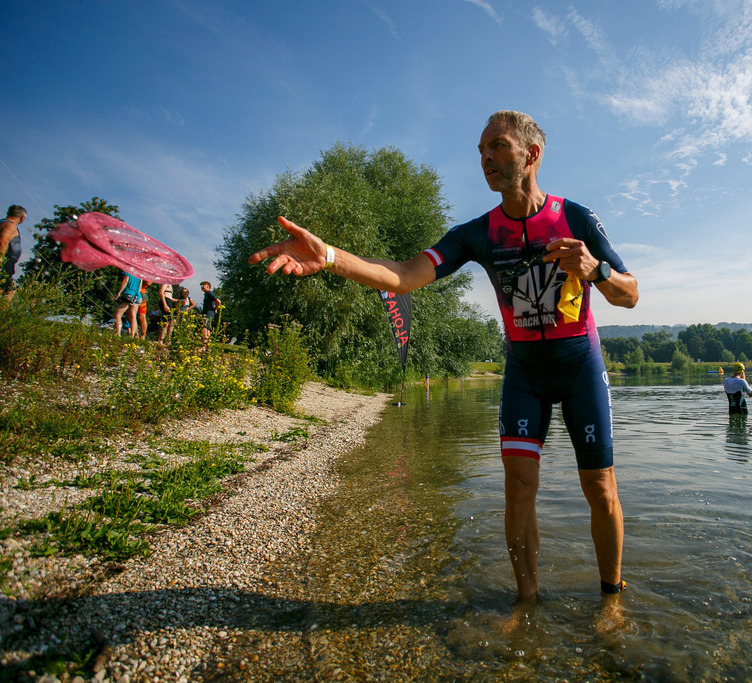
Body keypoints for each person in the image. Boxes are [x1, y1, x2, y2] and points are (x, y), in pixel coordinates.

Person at [250, 110, 639, 609]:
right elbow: (405, 276)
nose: (486, 158)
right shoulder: (477, 233)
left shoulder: (575, 217)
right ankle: (526, 605)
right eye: (481, 151)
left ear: (532, 155)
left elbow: (629, 295)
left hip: (579, 363)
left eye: (497, 146)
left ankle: (612, 600)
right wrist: (329, 257)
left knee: (599, 486)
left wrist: (596, 268)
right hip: (524, 372)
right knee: (518, 490)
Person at [0, 205, 27, 300]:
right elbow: (3, 242)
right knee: (2, 288)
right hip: (5, 263)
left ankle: (5, 314)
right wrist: (1, 261)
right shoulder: (10, 226)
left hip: (8, 264)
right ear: (22, 217)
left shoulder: (4, 223)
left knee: (10, 292)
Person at [113, 271, 143, 337]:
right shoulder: (139, 273)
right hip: (137, 296)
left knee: (118, 315)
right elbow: (140, 286)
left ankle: (117, 334)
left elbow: (125, 280)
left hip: (129, 294)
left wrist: (119, 292)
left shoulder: (128, 270)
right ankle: (132, 336)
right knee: (133, 316)